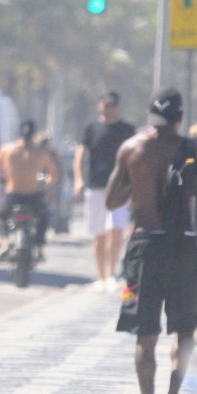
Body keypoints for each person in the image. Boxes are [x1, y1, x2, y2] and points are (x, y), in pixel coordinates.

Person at [105, 90, 197, 394]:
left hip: (143, 249)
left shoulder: (131, 150)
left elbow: (112, 200)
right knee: (185, 330)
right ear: (181, 119)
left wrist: (134, 184)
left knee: (145, 334)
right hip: (183, 248)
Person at [76, 93, 136, 289]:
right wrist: (78, 179)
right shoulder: (91, 129)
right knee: (99, 233)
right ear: (100, 105)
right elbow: (80, 155)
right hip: (96, 186)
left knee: (116, 230)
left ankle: (111, 274)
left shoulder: (127, 130)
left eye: (113, 105)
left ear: (118, 107)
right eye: (106, 104)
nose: (110, 108)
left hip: (119, 187)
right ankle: (101, 277)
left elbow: (135, 157)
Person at [0, 119, 62, 263]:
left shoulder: (7, 150)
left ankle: (4, 243)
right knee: (43, 218)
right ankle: (40, 250)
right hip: (33, 194)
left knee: (2, 217)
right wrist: (46, 182)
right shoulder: (42, 153)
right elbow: (54, 175)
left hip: (13, 194)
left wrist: (4, 179)